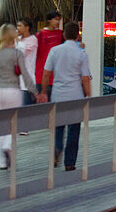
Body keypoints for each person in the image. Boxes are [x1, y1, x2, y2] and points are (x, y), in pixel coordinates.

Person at [38, 22, 92, 171]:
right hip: (75, 95)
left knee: (58, 126)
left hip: (58, 94)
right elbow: (85, 78)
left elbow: (47, 73)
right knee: (74, 129)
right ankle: (70, 162)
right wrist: (88, 95)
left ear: (64, 35)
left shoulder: (55, 51)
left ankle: (57, 148)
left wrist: (43, 91)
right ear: (77, 35)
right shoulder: (81, 53)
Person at [0, 24, 34, 170]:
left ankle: (2, 163)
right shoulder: (17, 53)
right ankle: (7, 145)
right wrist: (34, 91)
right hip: (12, 90)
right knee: (13, 123)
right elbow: (25, 75)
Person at [34, 12, 65, 96]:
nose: (57, 22)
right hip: (41, 73)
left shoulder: (61, 34)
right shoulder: (40, 34)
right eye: (55, 19)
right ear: (49, 20)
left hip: (56, 75)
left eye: (59, 20)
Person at [15, 19, 38, 106]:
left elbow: (22, 53)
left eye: (20, 26)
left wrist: (17, 40)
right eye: (17, 26)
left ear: (27, 27)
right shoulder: (18, 40)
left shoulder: (32, 39)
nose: (18, 28)